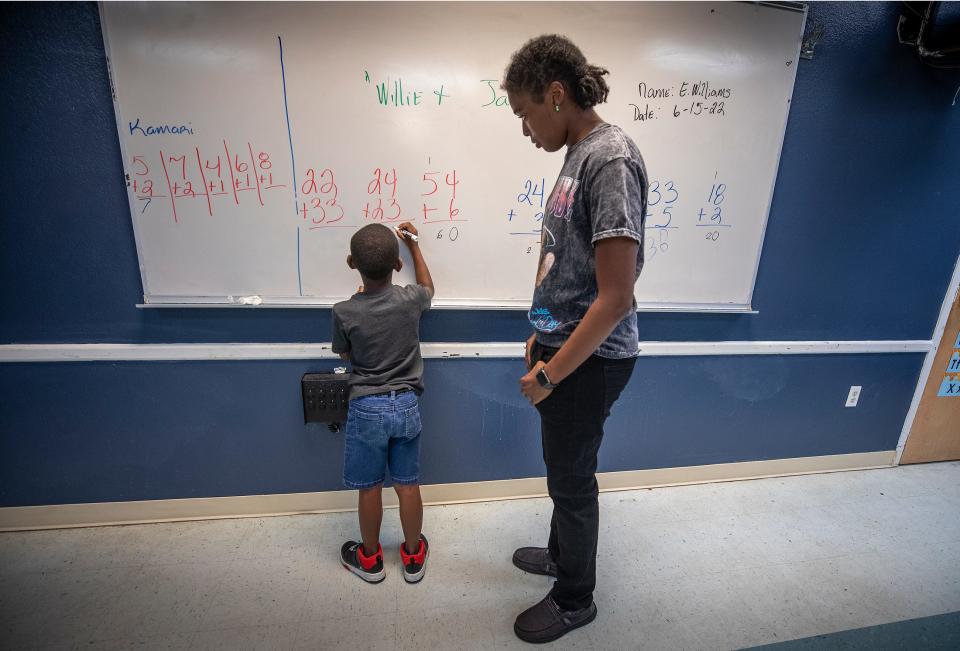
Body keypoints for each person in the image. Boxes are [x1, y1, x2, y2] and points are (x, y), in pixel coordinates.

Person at [502, 34, 648, 643]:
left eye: (525, 114)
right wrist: (539, 338)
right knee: (563, 470)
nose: (526, 129)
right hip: (561, 349)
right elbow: (567, 264)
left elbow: (615, 298)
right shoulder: (577, 152)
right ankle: (563, 556)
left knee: (571, 479)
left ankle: (574, 598)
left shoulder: (608, 159)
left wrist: (552, 372)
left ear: (555, 95)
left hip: (588, 362)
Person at [332, 221, 434, 584]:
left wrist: (360, 302)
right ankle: (412, 556)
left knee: (370, 487)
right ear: (397, 265)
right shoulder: (410, 301)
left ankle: (370, 558)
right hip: (406, 405)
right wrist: (415, 245)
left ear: (351, 263)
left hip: (366, 407)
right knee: (407, 484)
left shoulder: (343, 311)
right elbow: (428, 288)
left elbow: (345, 354)